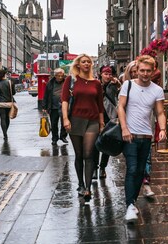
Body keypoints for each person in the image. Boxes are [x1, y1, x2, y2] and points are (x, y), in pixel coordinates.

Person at [118, 55, 166, 224]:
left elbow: (160, 112)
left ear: (153, 72)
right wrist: (124, 128)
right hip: (130, 135)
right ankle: (130, 205)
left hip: (146, 136)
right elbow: (121, 107)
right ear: (136, 70)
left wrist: (163, 129)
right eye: (142, 70)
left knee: (140, 171)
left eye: (148, 71)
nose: (145, 74)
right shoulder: (128, 85)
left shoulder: (157, 90)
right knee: (131, 169)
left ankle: (133, 200)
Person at [62, 54, 105, 201]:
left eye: (89, 62)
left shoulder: (96, 83)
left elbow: (100, 105)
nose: (86, 64)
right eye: (83, 62)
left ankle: (87, 188)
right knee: (79, 155)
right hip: (75, 120)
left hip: (92, 121)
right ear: (78, 65)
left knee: (88, 154)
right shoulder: (71, 80)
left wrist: (101, 123)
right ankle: (80, 183)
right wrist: (65, 119)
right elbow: (64, 101)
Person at [96, 65, 121, 179]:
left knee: (107, 142)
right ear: (101, 74)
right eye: (106, 74)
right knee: (95, 143)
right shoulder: (96, 84)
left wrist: (118, 84)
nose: (108, 76)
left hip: (110, 116)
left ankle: (102, 167)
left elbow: (119, 96)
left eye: (110, 74)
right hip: (97, 116)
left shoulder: (114, 85)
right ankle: (94, 167)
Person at [40, 68, 69, 146]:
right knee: (54, 124)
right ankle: (54, 139)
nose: (60, 77)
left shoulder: (66, 82)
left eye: (61, 76)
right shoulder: (50, 83)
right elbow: (45, 95)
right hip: (53, 107)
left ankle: (63, 136)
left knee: (64, 123)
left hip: (63, 107)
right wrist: (44, 107)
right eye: (58, 76)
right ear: (55, 76)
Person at [0, 69, 15, 141]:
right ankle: (5, 132)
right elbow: (13, 93)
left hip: (0, 103)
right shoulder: (10, 82)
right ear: (5, 75)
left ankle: (5, 134)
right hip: (9, 103)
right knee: (7, 118)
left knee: (2, 118)